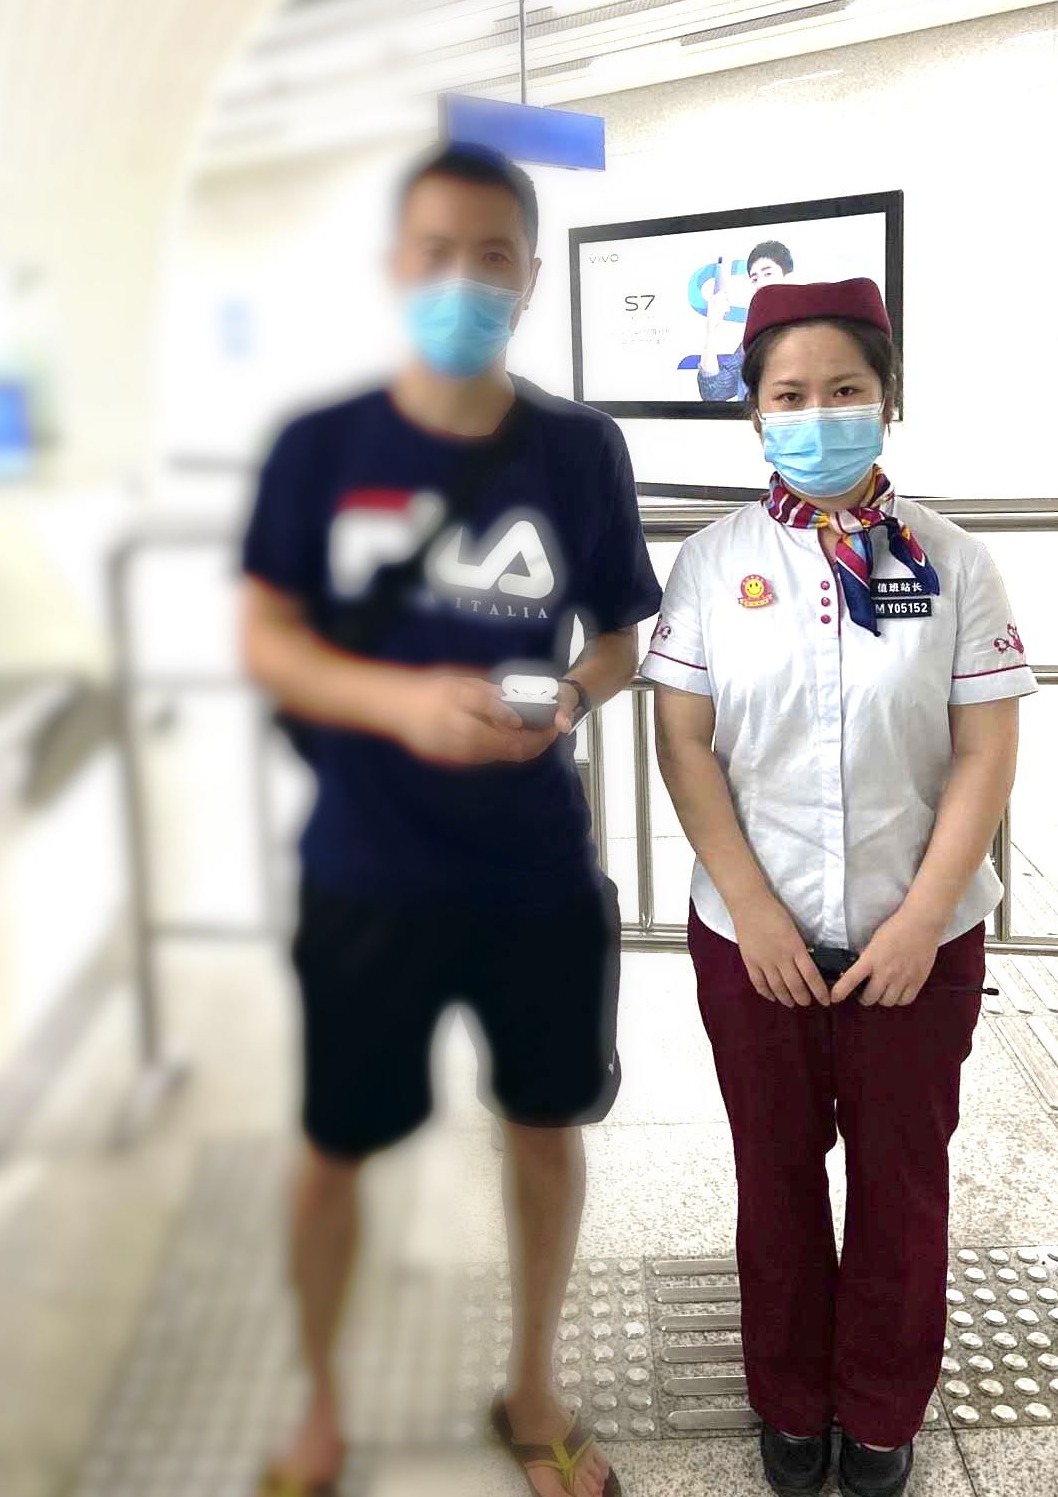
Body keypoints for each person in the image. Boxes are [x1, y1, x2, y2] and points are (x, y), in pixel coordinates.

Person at [240, 143, 661, 1497]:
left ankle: (533, 1388)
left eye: (494, 257)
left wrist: (572, 697)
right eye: (437, 253)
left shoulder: (579, 448)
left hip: (533, 864)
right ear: (393, 268)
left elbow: (621, 634)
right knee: (334, 1148)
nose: (464, 281)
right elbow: (266, 638)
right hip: (366, 867)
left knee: (544, 1125)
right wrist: (402, 703)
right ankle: (318, 1411)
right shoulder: (320, 446)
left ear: (530, 279)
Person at [643, 278, 1035, 1497]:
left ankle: (876, 1409)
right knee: (772, 1175)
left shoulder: (951, 560)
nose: (818, 417)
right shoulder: (713, 563)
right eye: (790, 396)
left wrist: (920, 918)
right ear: (756, 415)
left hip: (919, 937)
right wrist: (752, 911)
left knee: (900, 1185)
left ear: (886, 398)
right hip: (749, 933)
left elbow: (983, 749)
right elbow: (682, 742)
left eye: (844, 391)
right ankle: (787, 1398)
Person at [698, 239, 793, 403]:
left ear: (789, 278)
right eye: (754, 279)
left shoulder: (812, 330)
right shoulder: (754, 338)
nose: (760, 284)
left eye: (768, 274)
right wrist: (711, 329)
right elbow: (713, 393)